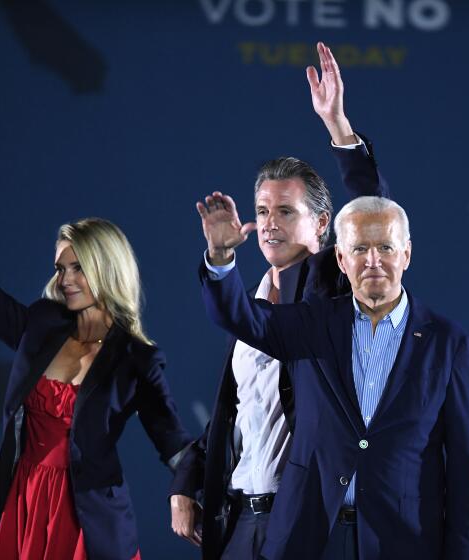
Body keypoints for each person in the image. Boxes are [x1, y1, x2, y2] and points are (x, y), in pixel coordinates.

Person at [0, 141, 191, 559]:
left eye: (78, 267)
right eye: (61, 268)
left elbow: (174, 445)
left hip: (91, 522)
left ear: (106, 267)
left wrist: (182, 495)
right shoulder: (43, 325)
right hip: (27, 502)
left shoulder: (137, 359)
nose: (66, 279)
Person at [168, 42, 389, 560]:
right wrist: (187, 479)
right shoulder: (248, 300)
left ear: (320, 225)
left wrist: (338, 125)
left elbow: (375, 211)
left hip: (310, 521)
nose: (269, 222)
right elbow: (242, 410)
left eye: (285, 211)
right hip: (242, 519)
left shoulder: (334, 287)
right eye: (262, 209)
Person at [194, 194, 469, 560]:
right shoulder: (312, 324)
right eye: (360, 248)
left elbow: (466, 472)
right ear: (341, 259)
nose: (373, 261)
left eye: (385, 247)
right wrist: (221, 261)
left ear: (407, 254)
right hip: (309, 537)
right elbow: (241, 317)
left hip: (402, 543)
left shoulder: (447, 342)